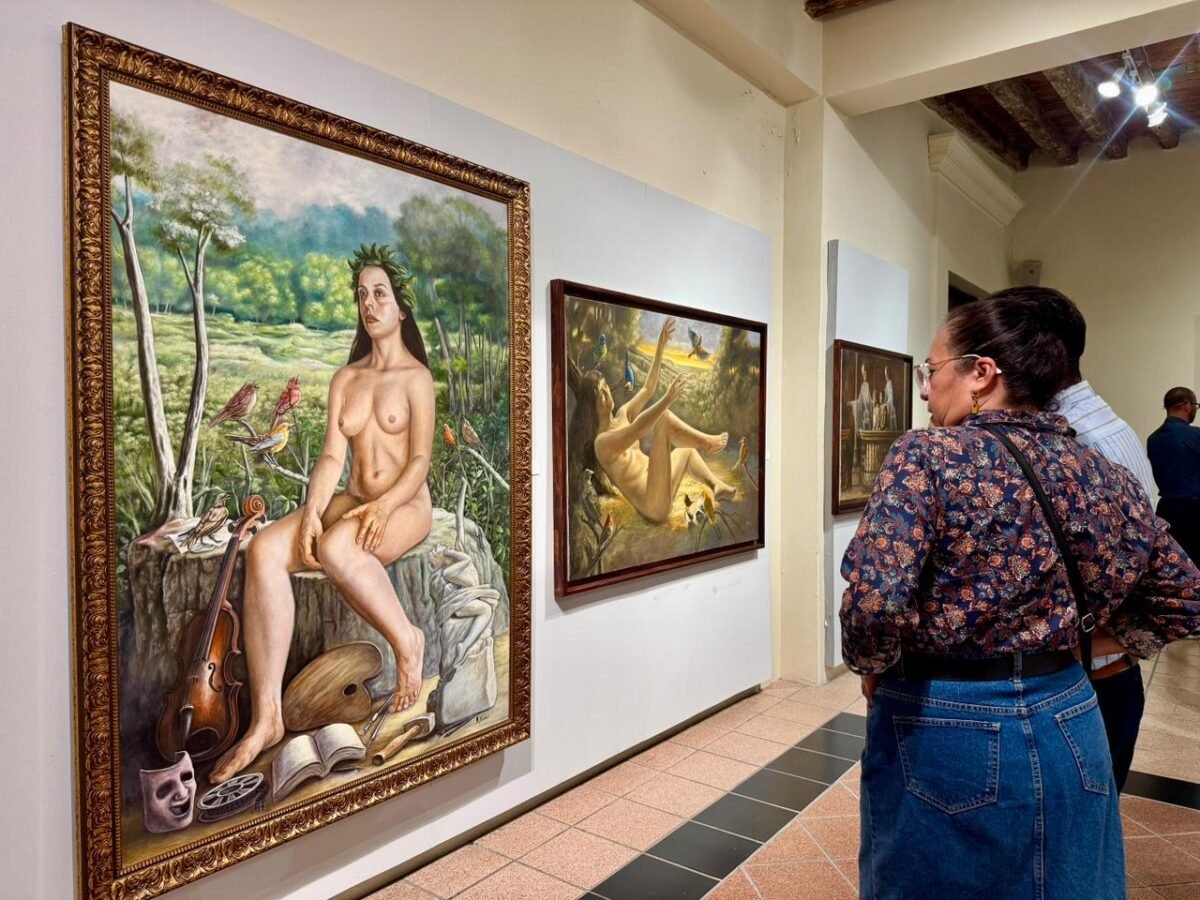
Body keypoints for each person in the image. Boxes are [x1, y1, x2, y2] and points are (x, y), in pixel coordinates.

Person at [841, 291, 1200, 899]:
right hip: (1072, 713)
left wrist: (874, 668)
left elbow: (874, 605)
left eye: (931, 370)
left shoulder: (928, 457)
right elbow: (1185, 593)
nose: (926, 390)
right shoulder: (1101, 472)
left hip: (945, 719)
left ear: (981, 373)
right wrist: (1088, 643)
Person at [212, 244, 434, 784]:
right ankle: (267, 718)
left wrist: (384, 504)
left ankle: (407, 639)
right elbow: (333, 457)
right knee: (265, 548)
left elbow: (420, 462)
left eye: (380, 294)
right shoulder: (346, 379)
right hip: (353, 500)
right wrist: (313, 512)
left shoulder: (416, 378)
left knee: (337, 547)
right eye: (362, 295)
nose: (369, 304)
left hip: (404, 504)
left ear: (401, 308)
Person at [1005, 286, 1155, 792]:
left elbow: (1157, 580)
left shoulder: (1076, 444)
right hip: (1094, 677)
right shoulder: (1092, 428)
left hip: (1086, 685)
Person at [569, 316, 733, 524]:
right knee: (664, 419)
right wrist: (667, 400)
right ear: (591, 406)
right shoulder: (601, 443)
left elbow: (648, 388)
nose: (607, 393)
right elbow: (638, 429)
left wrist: (660, 346)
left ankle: (716, 485)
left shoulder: (623, 415)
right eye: (601, 393)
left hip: (659, 485)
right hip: (653, 505)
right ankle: (706, 443)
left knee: (686, 451)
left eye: (606, 387)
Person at [1148, 386, 1200, 562]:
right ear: (1187, 405)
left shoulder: (1153, 439)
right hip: (1195, 513)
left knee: (1175, 563)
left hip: (1167, 512)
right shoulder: (1195, 436)